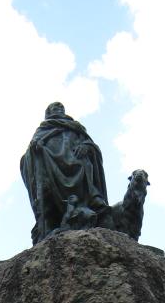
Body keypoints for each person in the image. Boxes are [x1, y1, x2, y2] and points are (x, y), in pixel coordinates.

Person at [20, 103, 109, 244]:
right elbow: (29, 155)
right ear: (48, 113)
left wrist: (87, 146)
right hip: (50, 167)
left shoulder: (76, 128)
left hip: (77, 162)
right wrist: (35, 148)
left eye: (61, 108)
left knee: (85, 163)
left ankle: (92, 196)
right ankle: (51, 220)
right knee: (43, 179)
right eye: (55, 108)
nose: (59, 110)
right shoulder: (43, 130)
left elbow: (92, 146)